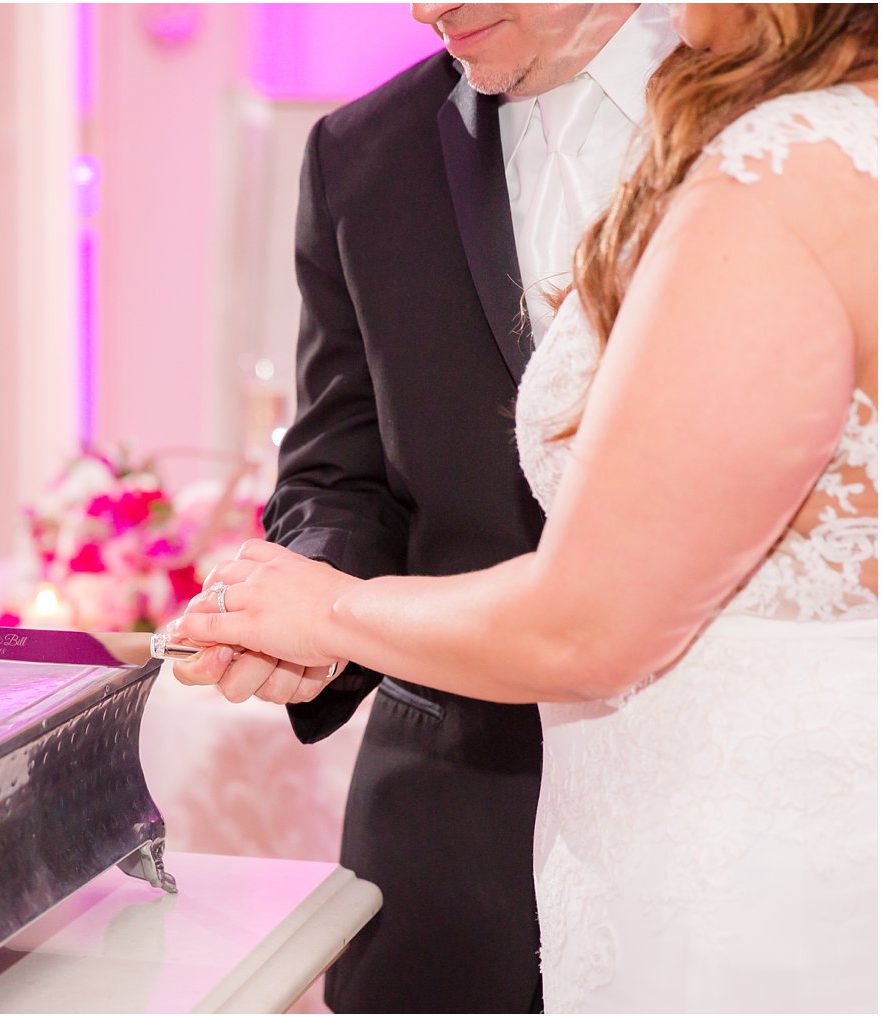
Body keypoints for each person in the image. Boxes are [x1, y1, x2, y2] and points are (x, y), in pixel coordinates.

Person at [176, 3, 878, 1011]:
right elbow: (339, 467)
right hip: (452, 824)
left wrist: (333, 610)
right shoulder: (358, 154)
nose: (426, 9)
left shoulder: (775, 136)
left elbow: (592, 611)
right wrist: (314, 608)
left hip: (753, 823)